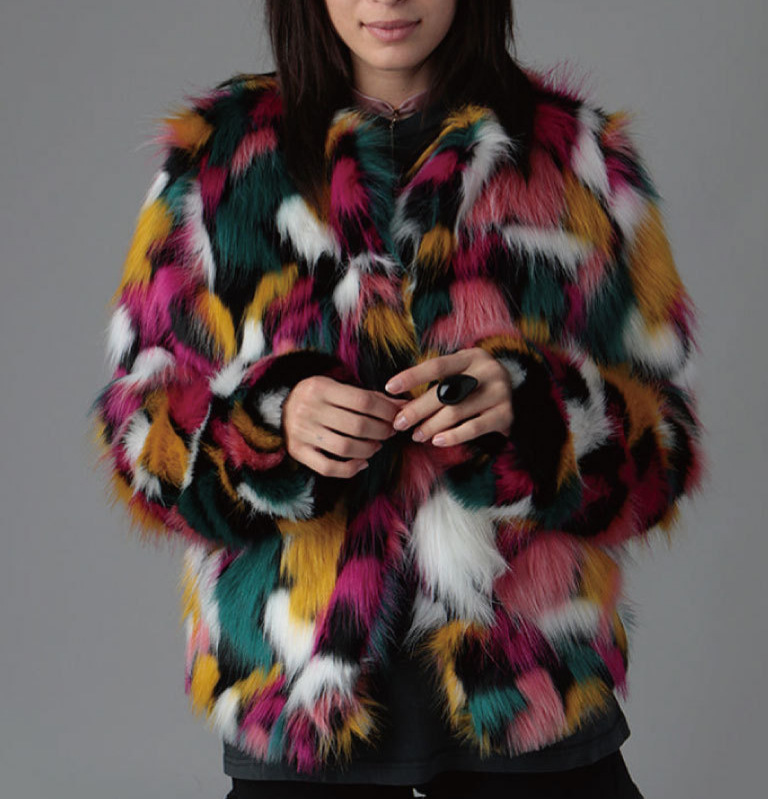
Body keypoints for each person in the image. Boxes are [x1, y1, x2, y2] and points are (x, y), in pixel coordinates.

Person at [89, 1, 705, 797]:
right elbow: (137, 435)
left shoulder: (577, 159)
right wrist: (268, 430)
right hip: (300, 708)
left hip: (533, 695)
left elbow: (668, 444)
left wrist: (538, 416)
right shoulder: (219, 160)